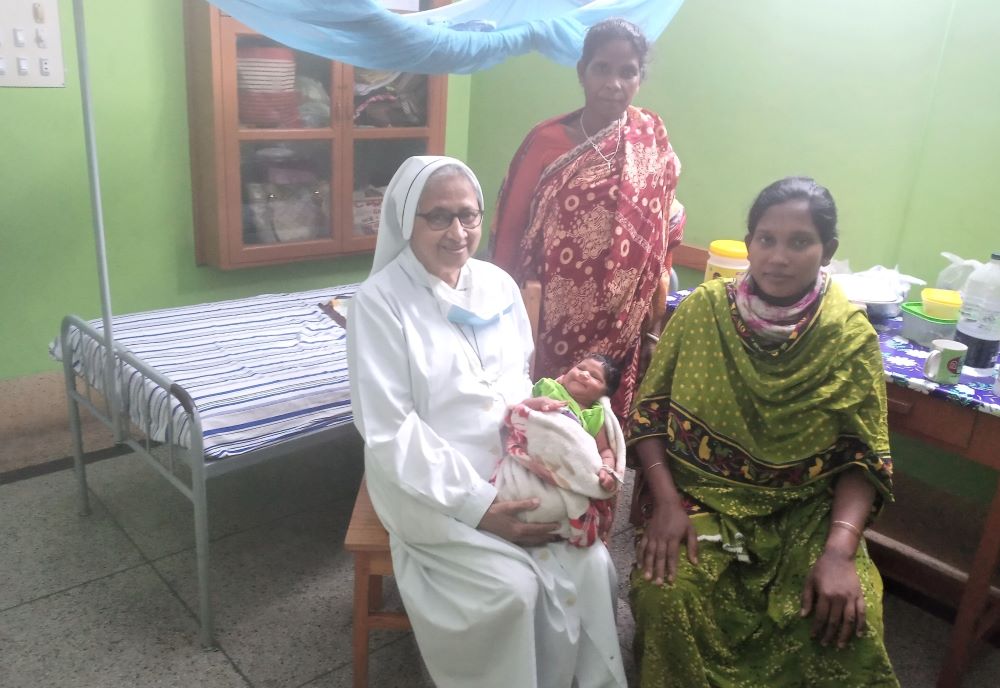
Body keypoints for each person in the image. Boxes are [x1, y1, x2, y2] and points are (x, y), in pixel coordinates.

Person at [347, 155, 628, 688]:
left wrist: (534, 407)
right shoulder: (378, 304)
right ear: (407, 221)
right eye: (439, 217)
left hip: (514, 456)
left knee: (590, 564)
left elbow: (517, 375)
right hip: (427, 478)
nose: (458, 232)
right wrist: (480, 509)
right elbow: (391, 431)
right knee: (511, 591)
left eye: (470, 216)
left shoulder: (498, 285)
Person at [626, 177, 899, 687]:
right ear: (749, 243)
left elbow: (863, 459)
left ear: (827, 251)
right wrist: (665, 503)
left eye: (800, 242)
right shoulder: (703, 310)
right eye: (766, 240)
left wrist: (839, 553)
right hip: (704, 505)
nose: (778, 256)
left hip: (806, 518)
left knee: (848, 620)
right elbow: (648, 417)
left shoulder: (848, 337)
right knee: (666, 594)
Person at [490, 17, 686, 423]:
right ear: (582, 72)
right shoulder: (546, 141)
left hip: (623, 317)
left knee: (605, 423)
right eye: (602, 68)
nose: (613, 83)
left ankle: (602, 484)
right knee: (547, 413)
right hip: (549, 314)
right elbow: (509, 231)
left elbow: (663, 229)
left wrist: (652, 321)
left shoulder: (650, 135)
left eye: (627, 71)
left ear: (640, 77)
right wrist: (499, 313)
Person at [493, 353, 626, 547]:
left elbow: (605, 450)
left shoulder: (594, 415)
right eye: (581, 368)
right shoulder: (549, 387)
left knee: (557, 505)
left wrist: (607, 469)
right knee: (516, 486)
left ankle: (551, 521)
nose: (584, 375)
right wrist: (536, 404)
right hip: (534, 456)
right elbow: (520, 410)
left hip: (566, 471)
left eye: (595, 377)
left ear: (604, 394)